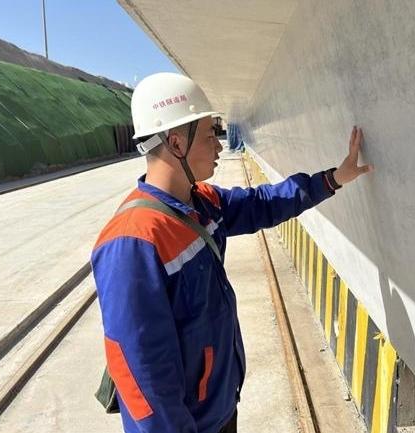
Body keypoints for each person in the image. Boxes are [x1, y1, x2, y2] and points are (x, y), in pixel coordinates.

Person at [91, 72, 373, 433]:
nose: (219, 146)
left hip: (220, 408)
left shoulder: (200, 203)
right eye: (210, 136)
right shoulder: (133, 243)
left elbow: (263, 204)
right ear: (176, 143)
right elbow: (141, 376)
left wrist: (331, 179)